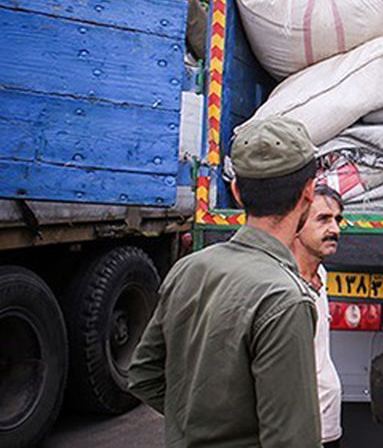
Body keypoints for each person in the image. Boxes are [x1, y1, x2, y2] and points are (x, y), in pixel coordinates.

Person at [129, 116, 322, 447]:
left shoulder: (187, 269)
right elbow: (293, 439)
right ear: (309, 191)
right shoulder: (285, 300)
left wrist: (198, 424)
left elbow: (144, 375)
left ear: (236, 192)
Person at [292, 184, 345, 448]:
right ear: (297, 224)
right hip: (299, 432)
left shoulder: (321, 275)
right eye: (323, 219)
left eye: (338, 219)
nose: (335, 229)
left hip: (327, 426)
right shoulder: (285, 286)